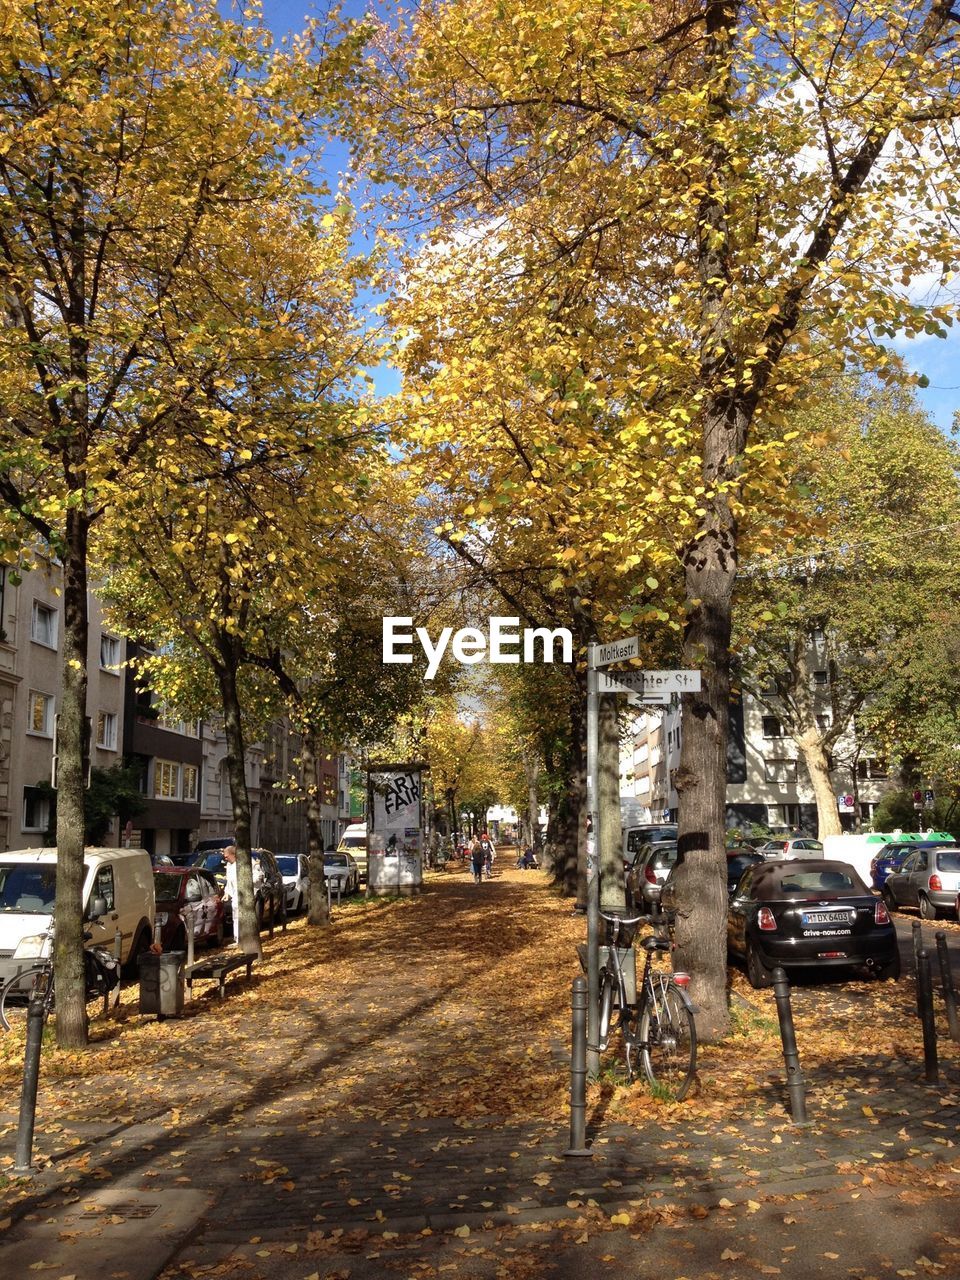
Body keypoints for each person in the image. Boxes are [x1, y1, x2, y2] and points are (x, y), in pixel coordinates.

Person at [223, 845, 239, 943]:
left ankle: (241, 939)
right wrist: (227, 893)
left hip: (242, 896)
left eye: (226, 856)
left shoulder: (242, 864)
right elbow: (229, 881)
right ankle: (237, 939)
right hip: (235, 896)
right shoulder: (229, 866)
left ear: (233, 854)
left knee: (240, 918)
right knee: (235, 918)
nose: (225, 858)